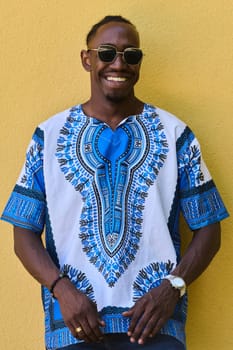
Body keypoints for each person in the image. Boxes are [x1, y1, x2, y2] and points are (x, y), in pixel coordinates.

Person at [1, 15, 229, 350]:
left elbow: (210, 230)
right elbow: (23, 234)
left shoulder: (174, 133)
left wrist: (172, 288)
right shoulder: (48, 137)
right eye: (107, 53)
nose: (119, 63)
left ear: (139, 63)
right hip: (74, 324)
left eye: (131, 55)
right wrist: (62, 290)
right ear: (87, 59)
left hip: (155, 325)